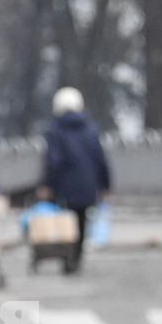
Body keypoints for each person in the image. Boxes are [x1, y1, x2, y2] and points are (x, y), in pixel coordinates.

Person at [37, 86, 112, 274]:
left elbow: (53, 161)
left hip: (65, 187)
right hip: (88, 185)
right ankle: (76, 258)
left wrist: (47, 183)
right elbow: (100, 159)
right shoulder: (91, 129)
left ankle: (66, 257)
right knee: (81, 221)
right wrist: (105, 185)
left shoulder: (55, 131)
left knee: (65, 222)